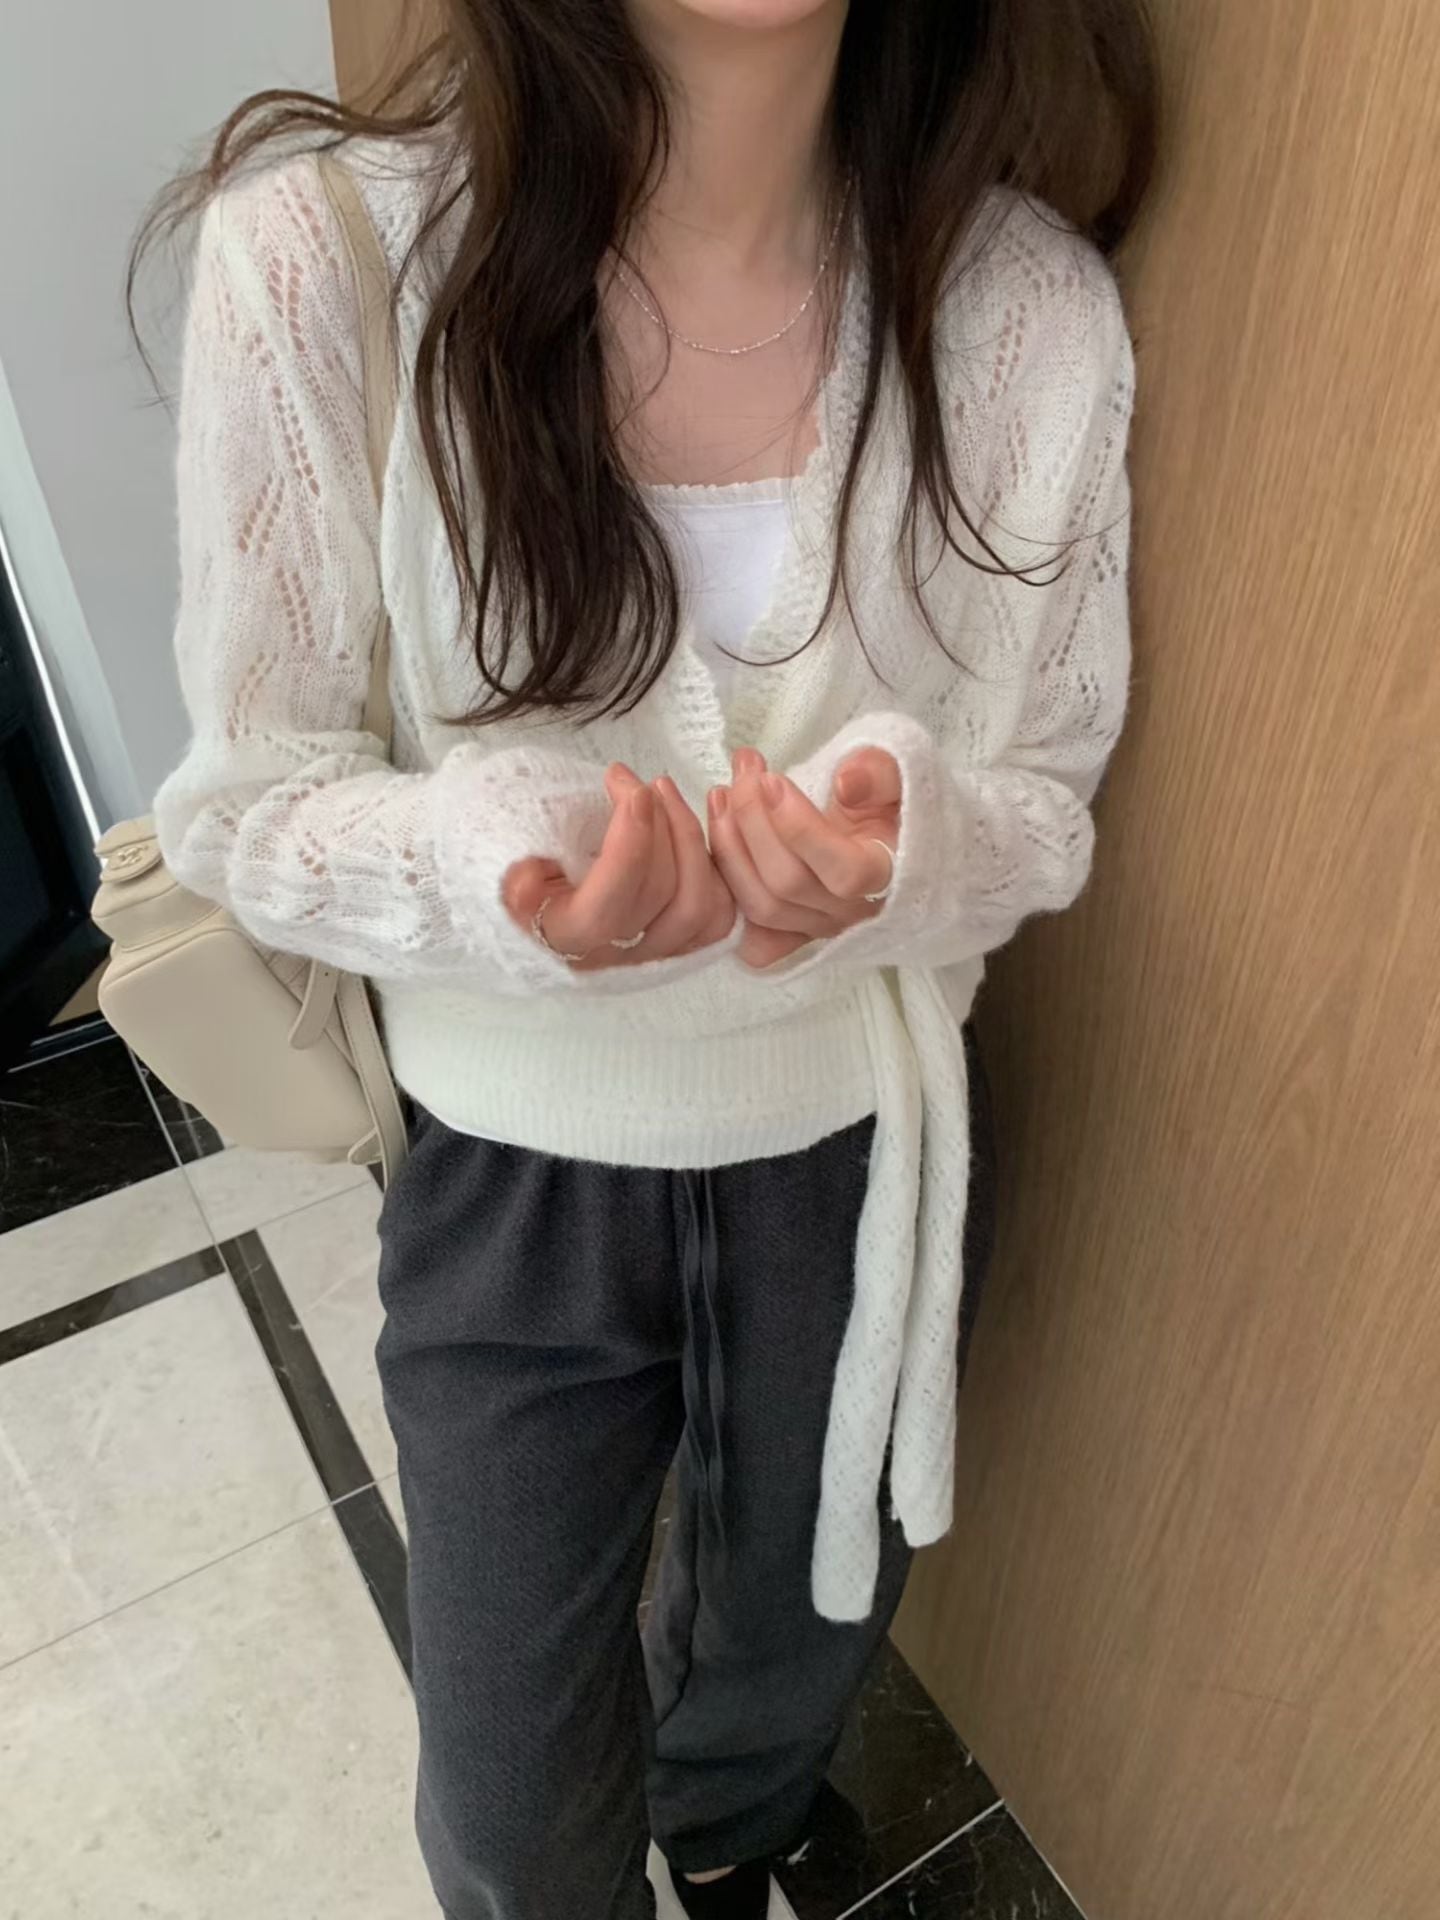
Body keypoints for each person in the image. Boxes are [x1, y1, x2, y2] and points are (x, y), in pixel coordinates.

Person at [140, 1, 1156, 1913]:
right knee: (518, 1811)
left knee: (790, 1666)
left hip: (868, 1151)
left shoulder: (1031, 316)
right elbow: (250, 802)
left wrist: (906, 855)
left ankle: (737, 1836)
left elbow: (1048, 789)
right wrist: (499, 874)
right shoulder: (321, 263)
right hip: (514, 1181)